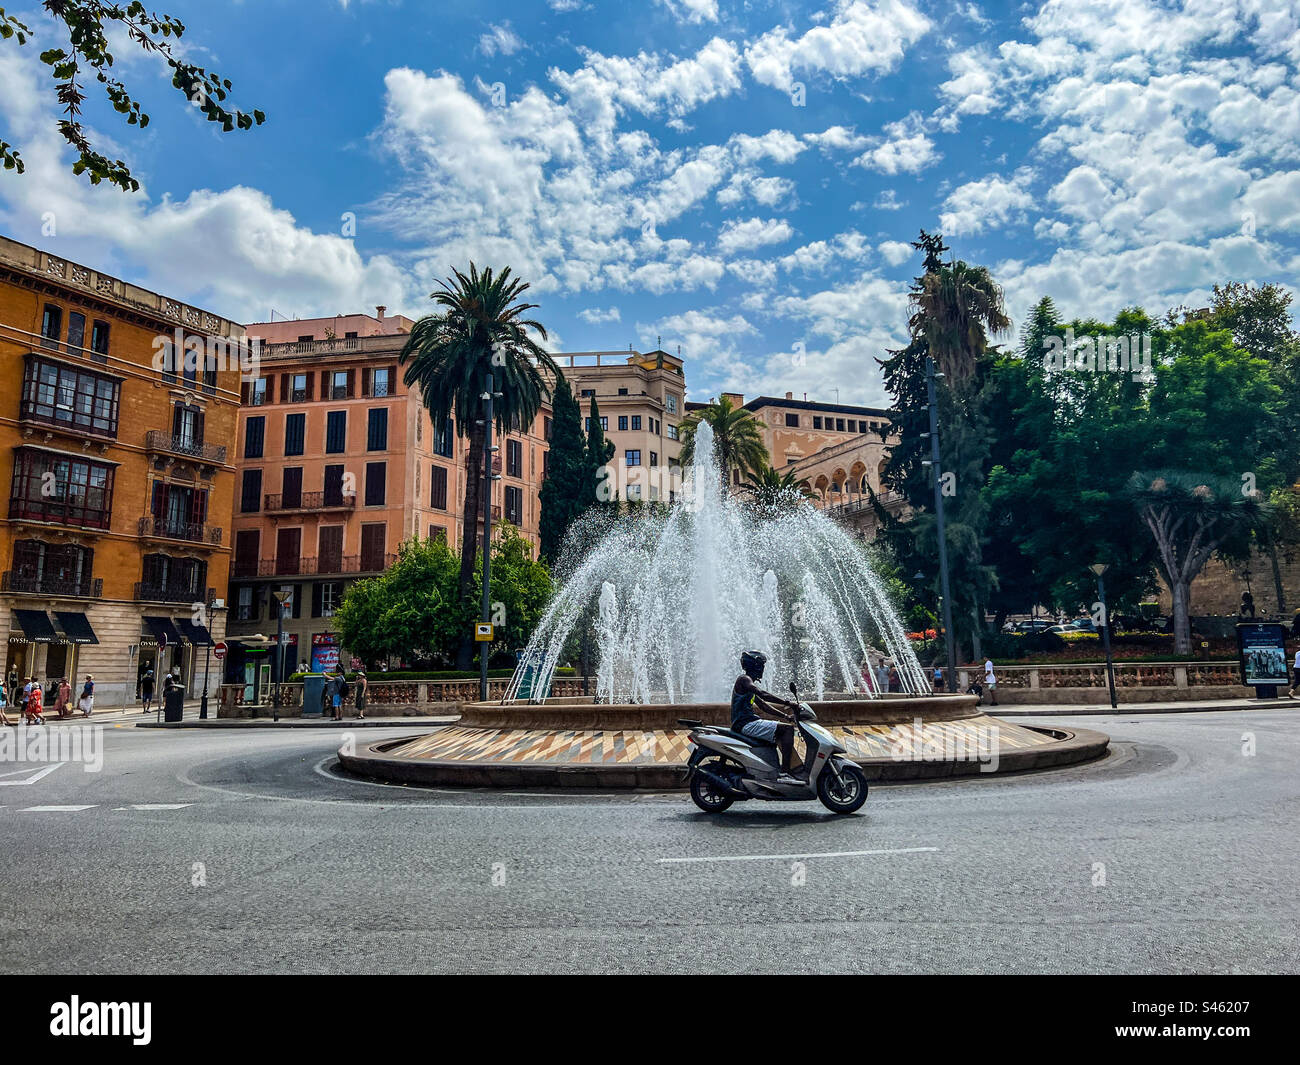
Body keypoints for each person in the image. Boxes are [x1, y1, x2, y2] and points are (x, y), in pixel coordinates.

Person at [731, 650, 802, 782]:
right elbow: (763, 694)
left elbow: (763, 705)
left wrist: (786, 716)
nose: (763, 669)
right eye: (761, 665)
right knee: (787, 730)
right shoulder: (744, 680)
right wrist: (788, 703)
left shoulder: (748, 684)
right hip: (745, 724)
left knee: (780, 730)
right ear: (755, 666)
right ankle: (785, 773)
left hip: (747, 723)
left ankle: (772, 770)